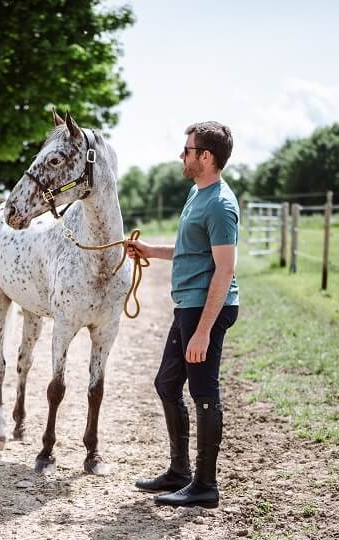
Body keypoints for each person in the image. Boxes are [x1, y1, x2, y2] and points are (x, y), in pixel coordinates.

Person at [128, 121, 239, 509]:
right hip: (188, 306)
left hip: (206, 309)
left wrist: (203, 331)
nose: (182, 155)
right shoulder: (198, 193)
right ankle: (180, 472)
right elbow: (191, 248)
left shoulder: (221, 205)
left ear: (205, 156)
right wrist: (150, 252)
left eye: (187, 150)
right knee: (166, 383)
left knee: (204, 394)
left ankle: (205, 486)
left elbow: (224, 270)